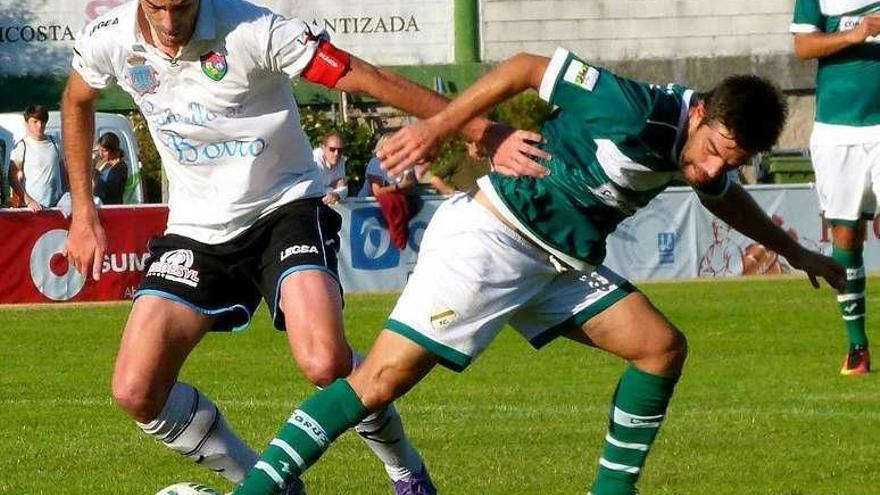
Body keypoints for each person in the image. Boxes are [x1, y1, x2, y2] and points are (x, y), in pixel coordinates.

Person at [230, 49, 846, 495]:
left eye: (729, 162)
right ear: (701, 112)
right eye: (712, 151)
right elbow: (527, 66)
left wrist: (795, 253)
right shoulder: (631, 107)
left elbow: (722, 196)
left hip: (558, 264)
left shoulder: (701, 152)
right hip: (492, 240)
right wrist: (443, 126)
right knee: (380, 382)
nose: (712, 169)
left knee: (660, 348)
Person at [62, 1, 545, 494]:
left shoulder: (255, 30)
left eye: (182, 5)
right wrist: (84, 212)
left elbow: (361, 74)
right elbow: (77, 101)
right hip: (196, 228)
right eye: (156, 6)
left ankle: (406, 472)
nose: (168, 24)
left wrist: (481, 129)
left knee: (324, 363)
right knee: (135, 390)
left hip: (284, 207)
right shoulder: (111, 37)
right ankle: (262, 483)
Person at [791, 1, 880, 375]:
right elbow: (803, 48)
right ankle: (856, 345)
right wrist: (855, 34)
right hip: (835, 130)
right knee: (845, 234)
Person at [9, 104, 64, 212]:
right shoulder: (22, 146)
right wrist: (29, 201)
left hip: (56, 207)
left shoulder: (55, 143)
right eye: (35, 121)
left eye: (43, 121)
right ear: (26, 123)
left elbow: (63, 172)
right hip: (33, 210)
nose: (39, 125)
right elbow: (12, 177)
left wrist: (67, 196)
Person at [93, 131, 129, 205]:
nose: (101, 154)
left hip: (110, 207)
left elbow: (106, 191)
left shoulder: (119, 168)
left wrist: (95, 174)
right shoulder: (104, 163)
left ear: (113, 150)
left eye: (104, 151)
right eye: (100, 150)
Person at [312, 132, 347, 205]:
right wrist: (332, 187)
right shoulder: (314, 161)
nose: (336, 153)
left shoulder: (341, 159)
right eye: (332, 149)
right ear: (323, 148)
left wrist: (336, 195)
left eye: (340, 150)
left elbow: (343, 188)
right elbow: (315, 193)